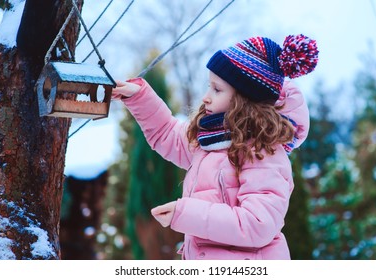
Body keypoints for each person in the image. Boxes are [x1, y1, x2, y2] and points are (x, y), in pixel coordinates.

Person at [112, 34, 318, 260]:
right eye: (209, 86)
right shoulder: (211, 139)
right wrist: (140, 97)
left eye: (217, 90)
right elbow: (167, 134)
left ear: (244, 98)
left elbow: (258, 224)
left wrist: (186, 213)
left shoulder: (262, 151)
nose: (205, 97)